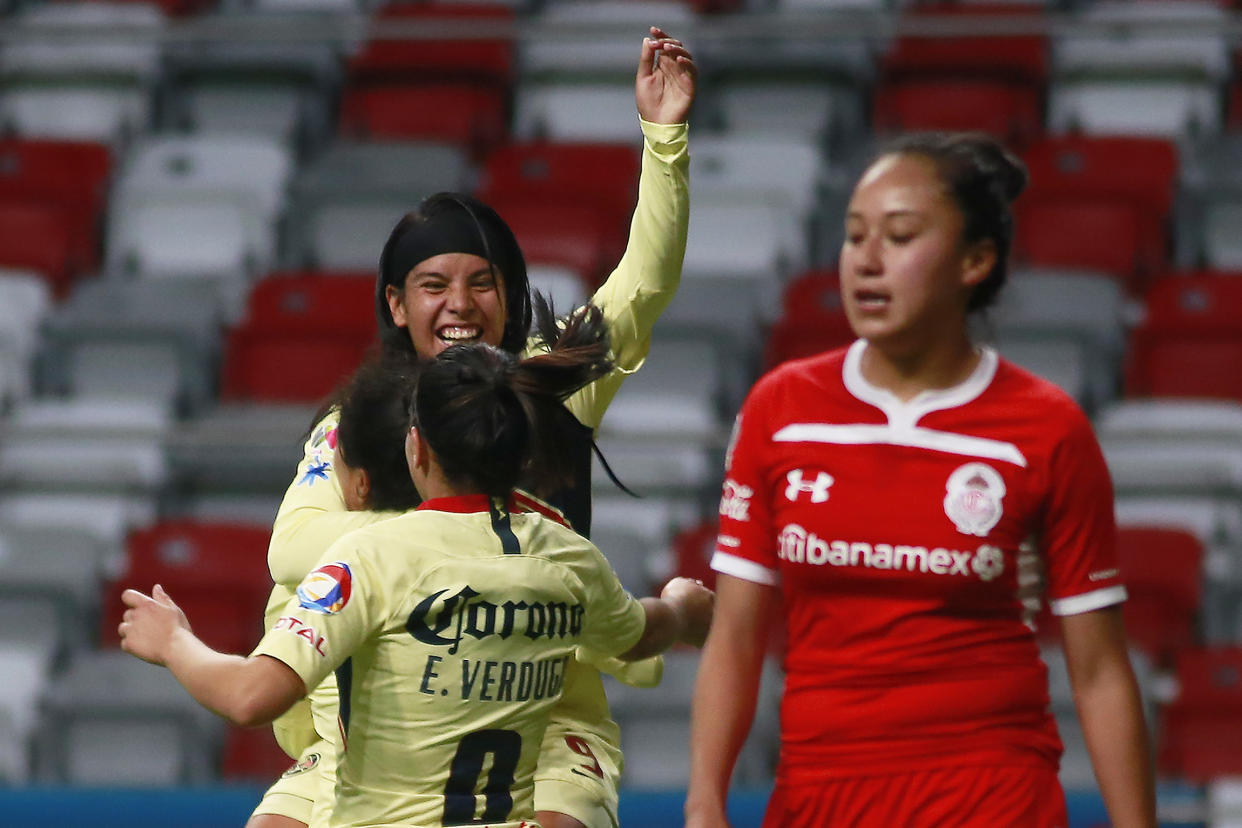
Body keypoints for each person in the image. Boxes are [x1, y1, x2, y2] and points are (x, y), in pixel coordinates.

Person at [252, 26, 696, 828]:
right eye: (433, 284)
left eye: (482, 282)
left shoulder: (548, 385)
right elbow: (292, 546)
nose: (459, 303)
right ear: (397, 304)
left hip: (547, 723)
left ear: (511, 292)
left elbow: (644, 286)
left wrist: (664, 140)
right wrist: (464, 559)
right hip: (376, 734)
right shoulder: (356, 422)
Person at [684, 132, 1157, 828]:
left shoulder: (1048, 428)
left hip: (992, 796)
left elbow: (1099, 671)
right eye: (853, 236)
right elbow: (735, 637)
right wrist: (704, 803)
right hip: (820, 795)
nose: (866, 261)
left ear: (976, 260)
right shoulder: (779, 410)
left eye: (900, 236)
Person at [118, 300, 715, 828]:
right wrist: (688, 609)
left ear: (416, 449)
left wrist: (174, 641)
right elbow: (641, 633)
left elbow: (250, 697)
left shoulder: (372, 557)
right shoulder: (567, 556)